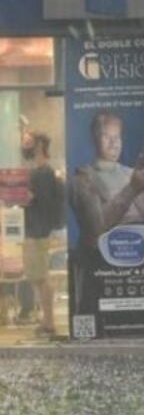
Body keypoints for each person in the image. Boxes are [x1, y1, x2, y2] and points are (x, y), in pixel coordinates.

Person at [70, 112, 144, 250]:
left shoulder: (131, 174)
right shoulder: (82, 179)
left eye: (117, 137)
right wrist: (131, 189)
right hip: (106, 257)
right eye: (106, 136)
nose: (114, 143)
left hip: (142, 251)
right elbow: (98, 227)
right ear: (93, 139)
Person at [21, 132, 64, 338]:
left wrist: (18, 194)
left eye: (28, 143)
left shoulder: (42, 173)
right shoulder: (42, 171)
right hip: (36, 230)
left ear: (38, 145)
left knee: (41, 277)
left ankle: (49, 323)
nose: (24, 146)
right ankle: (47, 321)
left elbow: (34, 201)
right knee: (37, 277)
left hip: (37, 231)